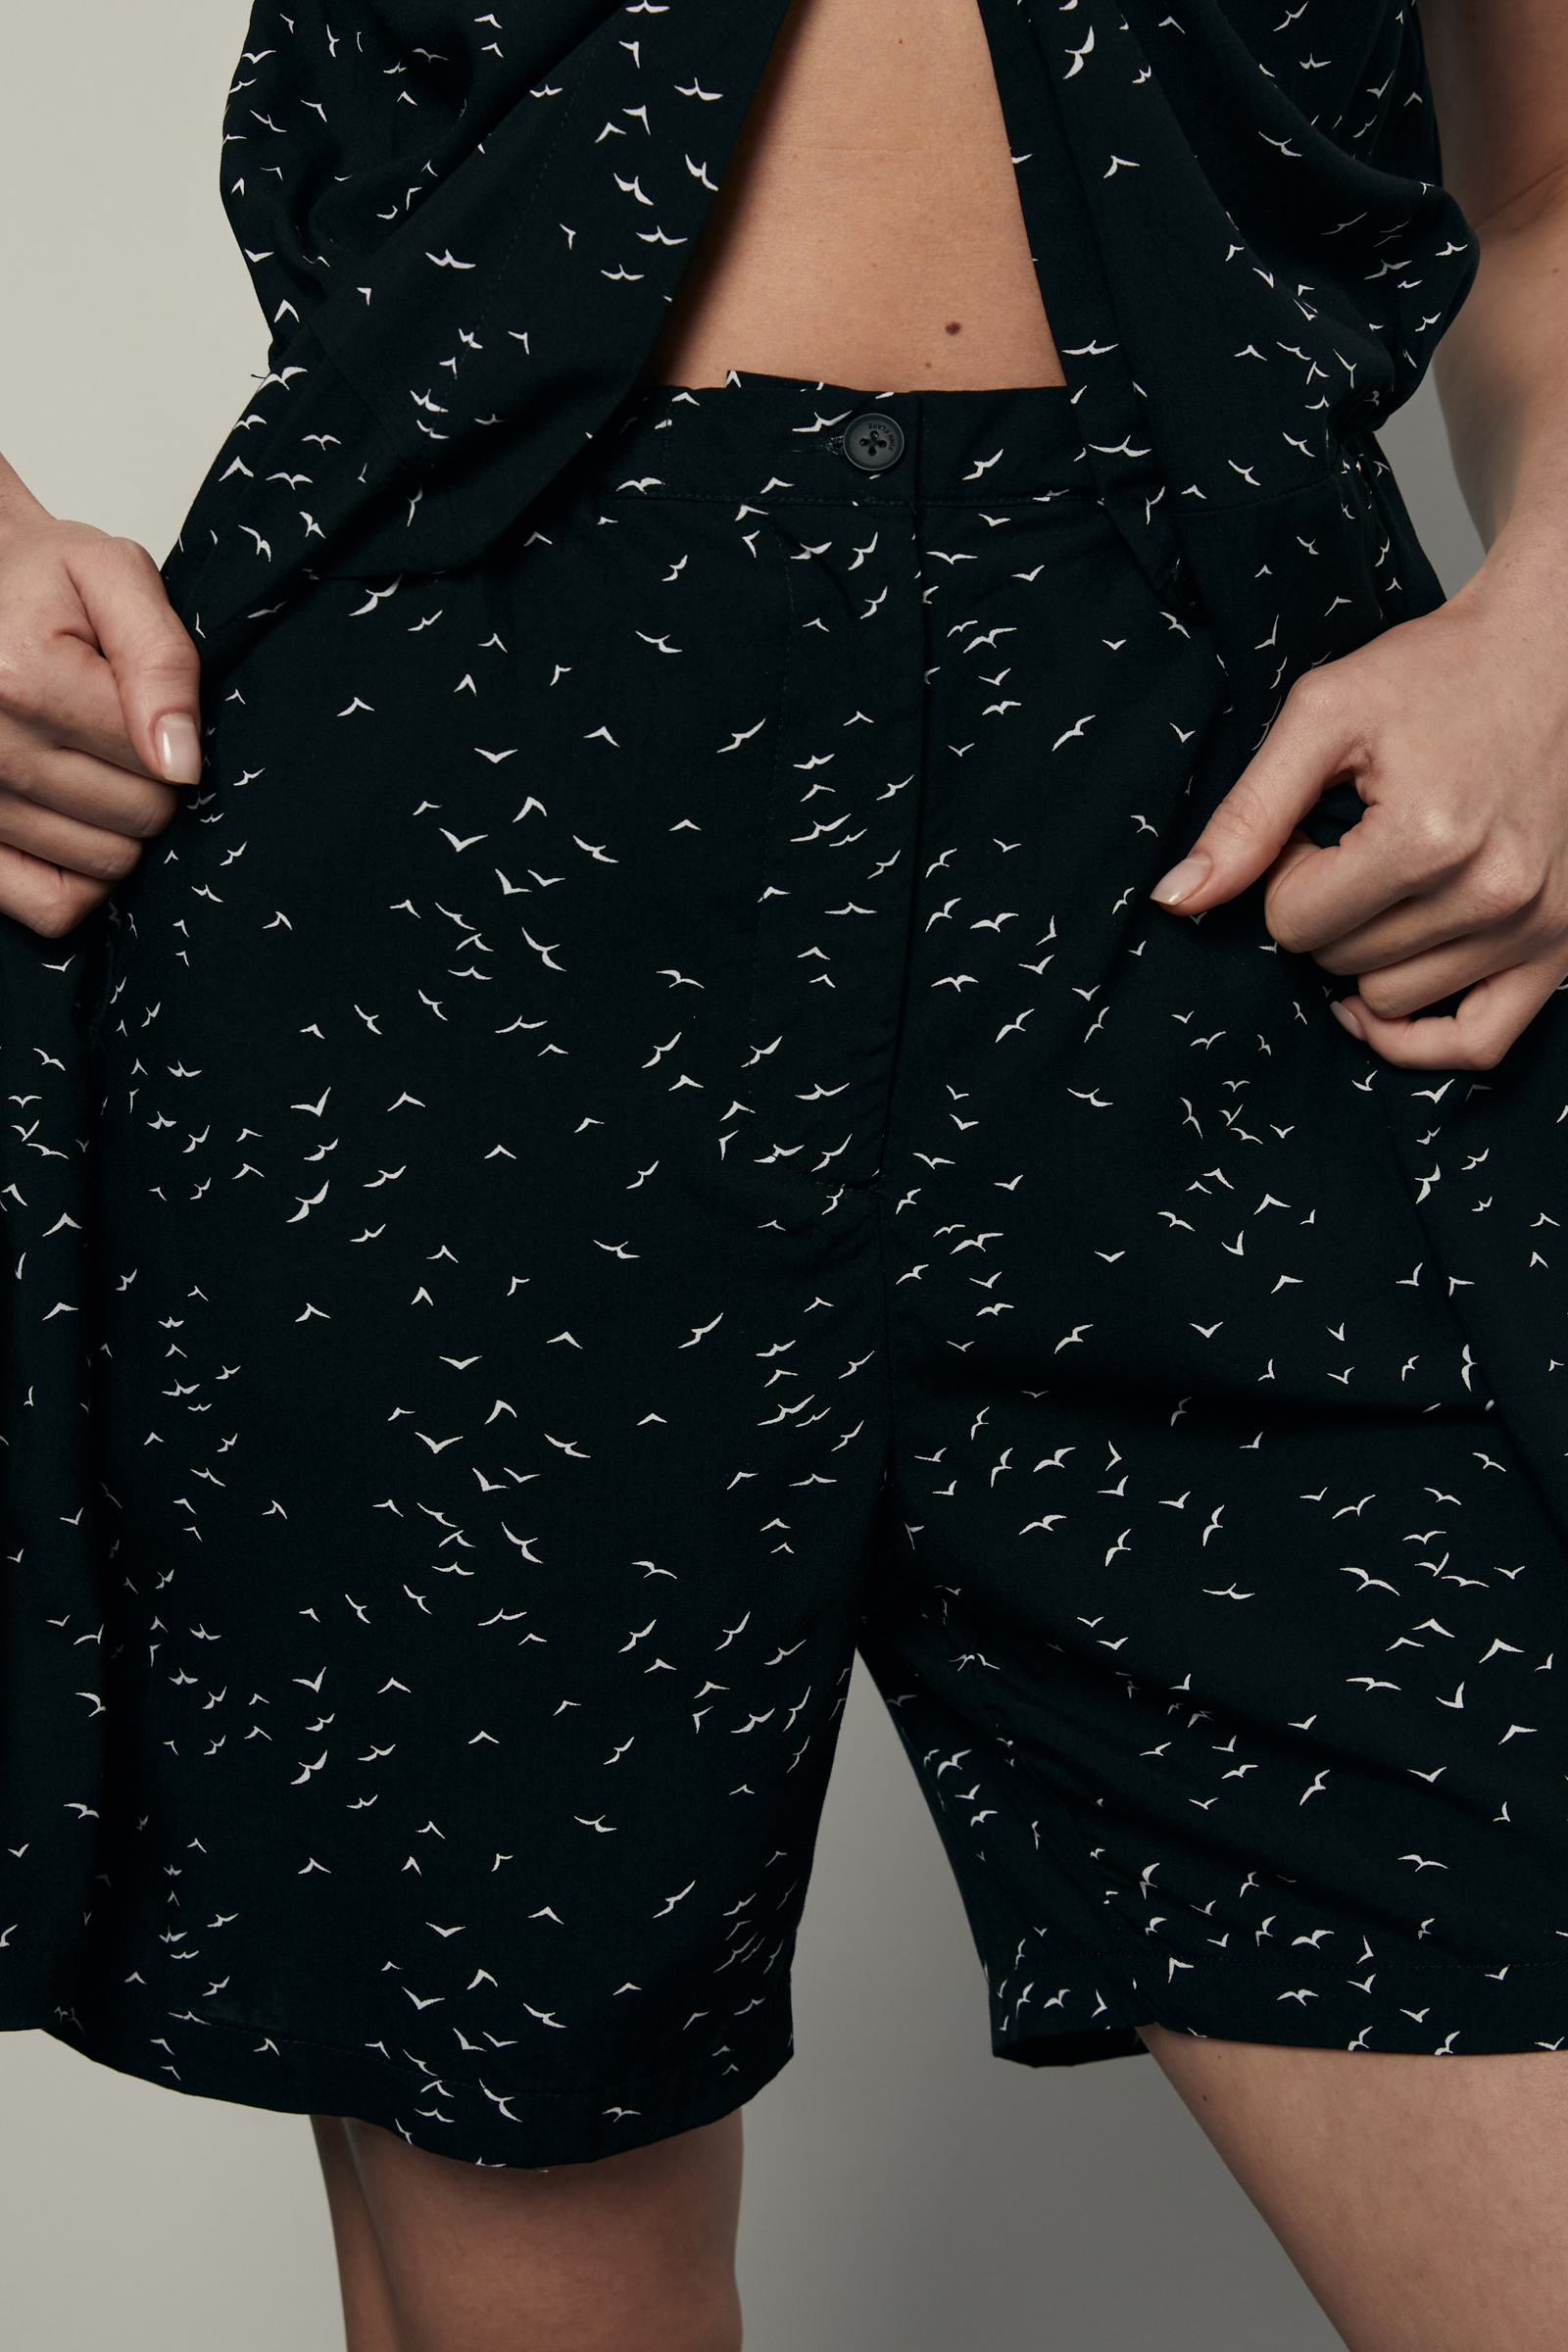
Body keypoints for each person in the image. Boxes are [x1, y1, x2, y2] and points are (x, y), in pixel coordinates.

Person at [2, 0, 1567, 2343]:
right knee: (533, 2234)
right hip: (459, 862)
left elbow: (1539, 185)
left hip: (1251, 870)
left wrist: (1554, 630)